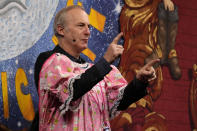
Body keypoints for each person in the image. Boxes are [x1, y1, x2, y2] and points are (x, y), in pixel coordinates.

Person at [34, 5, 159, 131]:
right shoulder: (49, 61)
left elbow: (119, 102)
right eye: (81, 25)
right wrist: (105, 61)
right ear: (61, 30)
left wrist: (139, 81)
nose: (88, 32)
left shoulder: (92, 70)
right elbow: (73, 91)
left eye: (89, 27)